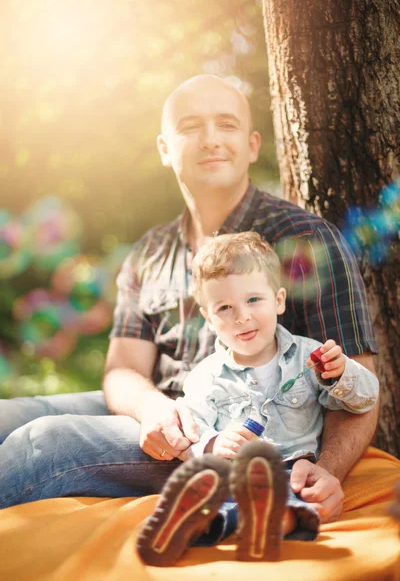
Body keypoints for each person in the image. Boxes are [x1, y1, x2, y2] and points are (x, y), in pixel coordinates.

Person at [0, 75, 379, 519]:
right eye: (191, 126)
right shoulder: (149, 251)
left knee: (45, 440)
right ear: (165, 148)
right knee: (10, 414)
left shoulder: (307, 239)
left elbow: (357, 384)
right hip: (163, 411)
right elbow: (123, 369)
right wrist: (152, 408)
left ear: (253, 145)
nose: (211, 140)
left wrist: (327, 471)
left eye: (227, 125)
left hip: (218, 437)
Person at [136, 231, 379, 565]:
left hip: (294, 468)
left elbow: (366, 398)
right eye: (224, 307)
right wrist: (211, 444)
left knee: (298, 495)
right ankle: (195, 520)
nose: (242, 317)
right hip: (235, 473)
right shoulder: (205, 377)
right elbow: (191, 431)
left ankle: (246, 522)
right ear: (208, 318)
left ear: (278, 300)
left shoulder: (310, 356)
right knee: (219, 488)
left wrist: (342, 373)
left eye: (253, 300)